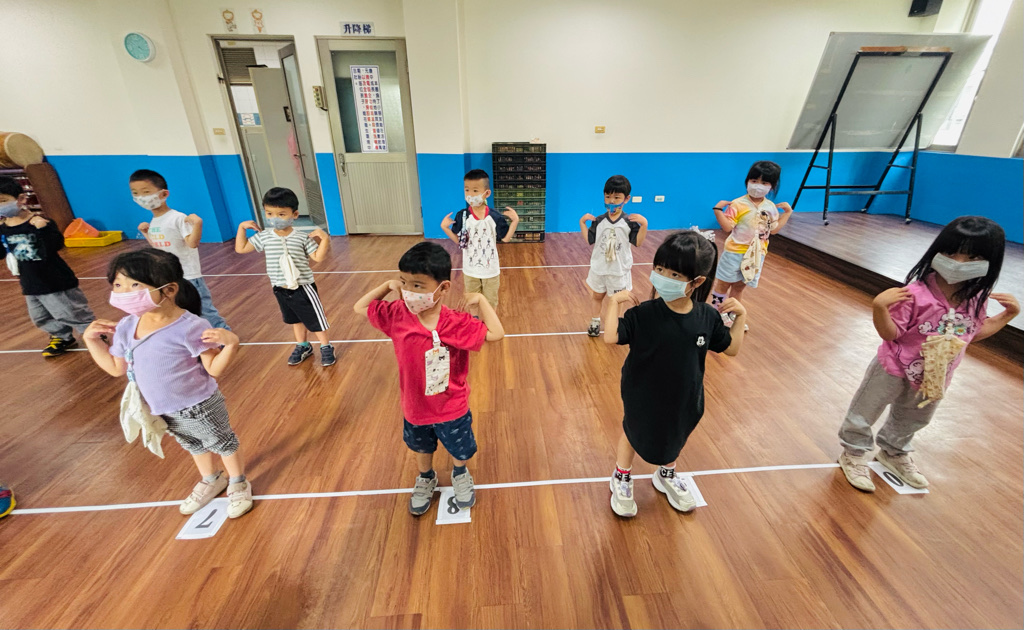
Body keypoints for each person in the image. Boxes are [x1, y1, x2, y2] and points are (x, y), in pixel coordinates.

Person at [837, 216, 1018, 492]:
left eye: (973, 257)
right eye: (951, 253)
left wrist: (1007, 316)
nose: (959, 262)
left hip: (935, 374)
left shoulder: (975, 298)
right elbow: (890, 334)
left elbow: (971, 333)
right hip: (893, 366)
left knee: (915, 416)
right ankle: (854, 451)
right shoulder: (914, 294)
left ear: (989, 262)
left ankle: (894, 451)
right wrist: (880, 308)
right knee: (866, 409)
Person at [82, 249, 253, 518]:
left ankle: (238, 482)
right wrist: (90, 341)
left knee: (222, 443)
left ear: (169, 289)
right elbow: (116, 368)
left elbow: (213, 369)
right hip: (160, 407)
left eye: (134, 285)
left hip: (199, 405)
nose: (124, 292)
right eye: (118, 285)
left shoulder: (191, 326)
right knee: (193, 444)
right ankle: (211, 479)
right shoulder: (126, 326)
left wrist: (231, 345)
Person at [354, 242, 504, 516]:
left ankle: (460, 473)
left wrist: (481, 301)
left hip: (452, 406)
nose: (408, 292)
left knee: (460, 448)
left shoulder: (456, 323)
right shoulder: (396, 315)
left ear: (443, 287)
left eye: (418, 286)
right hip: (415, 406)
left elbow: (497, 334)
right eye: (404, 283)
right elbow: (360, 307)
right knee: (421, 447)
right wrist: (387, 287)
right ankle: (426, 477)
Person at [603, 230, 746, 517]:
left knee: (676, 433)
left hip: (684, 396)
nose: (662, 277)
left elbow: (730, 349)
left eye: (674, 274)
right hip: (642, 392)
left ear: (697, 282)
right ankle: (621, 475)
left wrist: (741, 317)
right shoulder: (643, 314)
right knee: (633, 431)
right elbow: (610, 337)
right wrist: (614, 304)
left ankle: (666, 474)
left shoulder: (707, 317)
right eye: (659, 269)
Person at [235, 187, 335, 366]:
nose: (275, 218)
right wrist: (241, 228)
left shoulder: (302, 238)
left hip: (303, 287)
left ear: (294, 214)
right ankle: (303, 345)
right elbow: (241, 248)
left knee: (315, 319)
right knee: (295, 318)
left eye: (281, 214)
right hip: (280, 288)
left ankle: (326, 346)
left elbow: (318, 258)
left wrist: (325, 240)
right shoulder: (264, 237)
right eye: (269, 213)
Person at [0, 176, 95, 357]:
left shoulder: (39, 222)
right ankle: (61, 337)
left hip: (55, 280)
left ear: (21, 199)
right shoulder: (3, 228)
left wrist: (43, 229)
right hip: (30, 282)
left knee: (70, 311)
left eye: (3, 201)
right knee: (40, 316)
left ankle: (93, 333)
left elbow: (56, 244)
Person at [130, 169, 229, 329]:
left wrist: (198, 224)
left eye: (146, 192)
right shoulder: (154, 221)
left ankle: (223, 334)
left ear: (164, 194)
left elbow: (192, 243)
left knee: (204, 310)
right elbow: (158, 248)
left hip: (188, 276)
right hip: (169, 277)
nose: (141, 197)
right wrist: (146, 233)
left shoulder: (177, 218)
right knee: (180, 312)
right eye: (135, 193)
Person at [710, 160, 792, 329]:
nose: (758, 186)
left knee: (739, 287)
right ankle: (715, 315)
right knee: (723, 285)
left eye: (764, 182)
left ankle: (732, 316)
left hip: (756, 255)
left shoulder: (770, 207)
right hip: (734, 253)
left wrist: (787, 213)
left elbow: (773, 230)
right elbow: (727, 227)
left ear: (772, 186)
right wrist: (718, 211)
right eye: (754, 181)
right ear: (747, 181)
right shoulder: (738, 204)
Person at [440, 169, 519, 311]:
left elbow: (506, 239)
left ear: (486, 193)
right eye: (467, 190)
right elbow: (460, 241)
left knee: (491, 302)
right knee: (472, 301)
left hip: (491, 270)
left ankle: (489, 322)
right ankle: (475, 321)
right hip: (470, 270)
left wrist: (515, 222)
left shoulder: (495, 217)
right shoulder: (462, 216)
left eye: (475, 191)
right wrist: (445, 228)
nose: (470, 194)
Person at [580, 175, 648, 336]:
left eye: (617, 197)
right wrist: (582, 223)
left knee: (617, 299)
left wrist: (644, 224)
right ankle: (595, 321)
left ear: (626, 199)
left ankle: (615, 324)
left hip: (618, 270)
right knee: (597, 295)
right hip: (599, 268)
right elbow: (589, 239)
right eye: (608, 196)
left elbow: (638, 242)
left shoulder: (629, 222)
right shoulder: (599, 221)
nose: (611, 201)